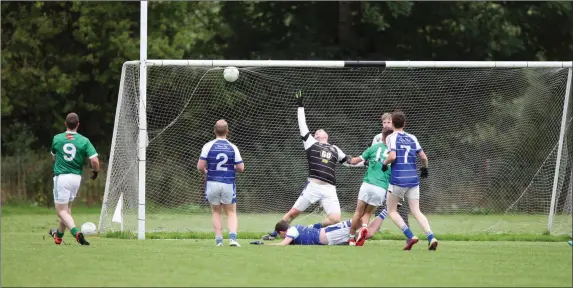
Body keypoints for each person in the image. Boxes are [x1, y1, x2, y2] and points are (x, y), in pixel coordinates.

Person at [262, 90, 356, 240]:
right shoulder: (311, 143)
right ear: (315, 136)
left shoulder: (335, 149)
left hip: (329, 189)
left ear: (327, 135)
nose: (318, 131)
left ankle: (310, 229)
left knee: (335, 218)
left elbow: (350, 162)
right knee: (292, 214)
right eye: (316, 132)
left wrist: (366, 160)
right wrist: (300, 106)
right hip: (313, 186)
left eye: (320, 131)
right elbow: (303, 125)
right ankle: (274, 234)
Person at [382, 111, 438, 251]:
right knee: (416, 211)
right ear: (405, 124)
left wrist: (384, 163)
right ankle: (431, 237)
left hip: (398, 180)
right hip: (413, 179)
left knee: (392, 210)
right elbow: (424, 157)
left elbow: (392, 156)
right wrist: (425, 169)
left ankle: (410, 236)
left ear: (392, 124)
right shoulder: (413, 137)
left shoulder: (391, 137)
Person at [48, 113, 99, 246]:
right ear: (78, 125)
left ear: (65, 124)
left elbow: (53, 156)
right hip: (76, 178)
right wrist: (95, 171)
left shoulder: (57, 138)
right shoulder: (84, 140)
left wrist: (58, 163)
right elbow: (94, 160)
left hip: (62, 177)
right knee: (67, 210)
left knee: (61, 211)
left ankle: (76, 232)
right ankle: (58, 237)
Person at [197, 119, 245, 247]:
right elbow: (241, 168)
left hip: (212, 182)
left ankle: (219, 241)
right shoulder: (233, 147)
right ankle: (233, 239)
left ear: (214, 131)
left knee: (216, 212)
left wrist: (208, 172)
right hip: (228, 183)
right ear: (227, 132)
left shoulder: (208, 146)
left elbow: (200, 166)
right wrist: (232, 168)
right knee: (231, 212)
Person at [345, 126, 393, 246]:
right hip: (381, 188)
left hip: (367, 184)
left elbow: (355, 161)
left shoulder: (374, 148)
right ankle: (364, 228)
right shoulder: (395, 153)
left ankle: (351, 238)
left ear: (382, 137)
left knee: (358, 212)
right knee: (367, 214)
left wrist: (348, 159)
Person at [270, 209, 388, 246]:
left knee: (362, 226)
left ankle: (376, 207)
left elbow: (283, 244)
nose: (281, 237)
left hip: (330, 235)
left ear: (282, 231)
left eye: (280, 235)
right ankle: (386, 210)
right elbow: (316, 225)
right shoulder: (297, 228)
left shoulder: (291, 231)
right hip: (331, 231)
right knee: (368, 232)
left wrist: (266, 246)